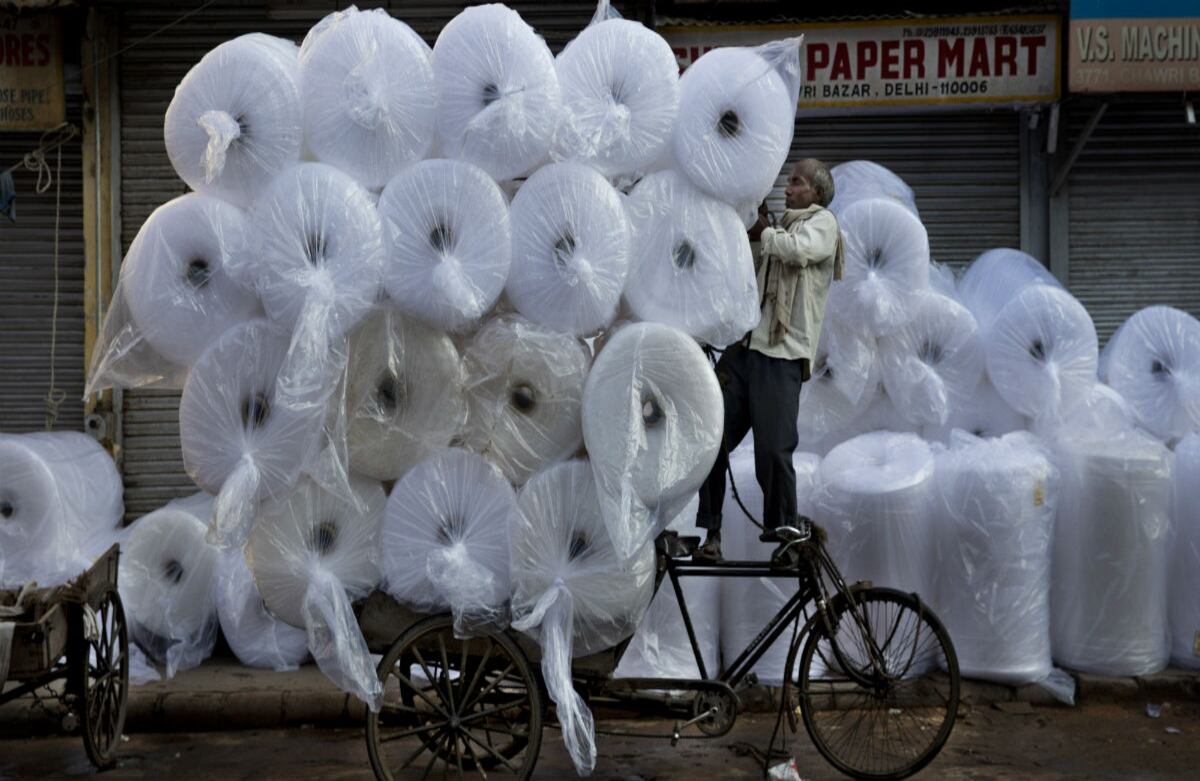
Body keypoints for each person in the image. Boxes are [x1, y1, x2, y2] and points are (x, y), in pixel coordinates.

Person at [694, 158, 843, 562]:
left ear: (816, 193)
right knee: (711, 438)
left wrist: (766, 230)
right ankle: (711, 535)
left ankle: (787, 536)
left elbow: (797, 252)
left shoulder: (822, 225)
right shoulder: (783, 227)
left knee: (773, 451)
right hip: (749, 348)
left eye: (796, 183)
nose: (788, 189)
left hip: (782, 354)